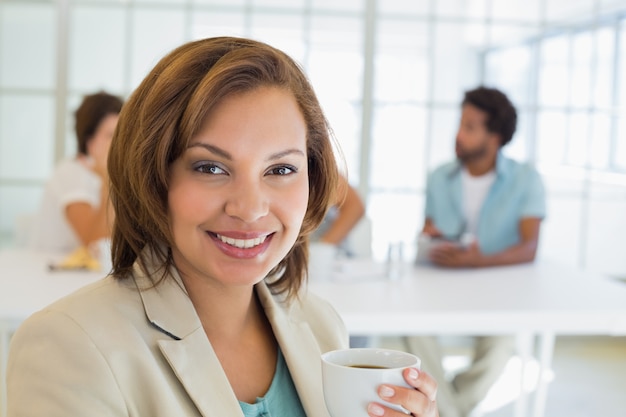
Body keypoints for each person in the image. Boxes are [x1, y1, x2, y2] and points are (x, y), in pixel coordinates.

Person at [7, 37, 439, 417]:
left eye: (281, 168)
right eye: (211, 167)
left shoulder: (321, 324)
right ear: (154, 177)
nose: (250, 208)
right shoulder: (69, 346)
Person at [406, 86, 546, 417]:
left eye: (470, 127)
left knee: (501, 344)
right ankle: (452, 410)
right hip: (442, 286)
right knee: (411, 331)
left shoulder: (526, 180)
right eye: (460, 124)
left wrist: (480, 261)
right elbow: (429, 229)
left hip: (500, 291)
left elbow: (530, 247)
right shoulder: (439, 177)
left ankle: (446, 410)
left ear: (494, 136)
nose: (458, 134)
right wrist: (431, 237)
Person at [30, 91, 123, 252]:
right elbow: (95, 242)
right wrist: (108, 185)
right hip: (51, 270)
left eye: (122, 134)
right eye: (110, 135)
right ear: (90, 141)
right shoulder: (71, 172)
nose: (119, 143)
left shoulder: (108, 173)